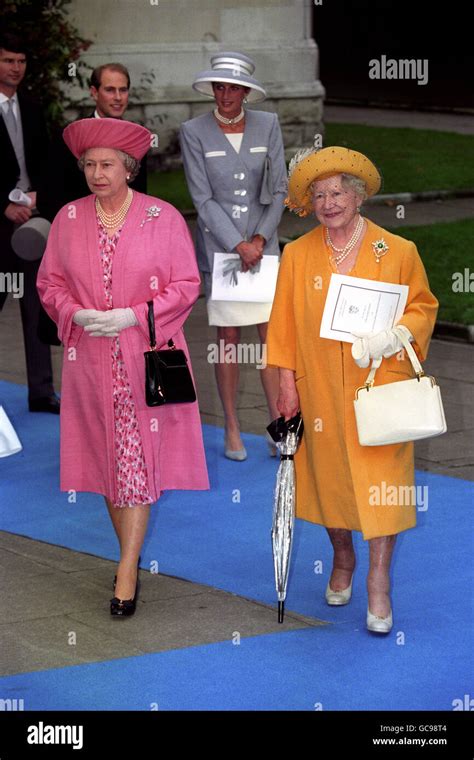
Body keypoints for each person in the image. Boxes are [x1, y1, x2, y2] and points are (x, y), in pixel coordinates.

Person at [37, 118, 209, 617]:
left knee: (135, 462)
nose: (97, 173)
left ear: (129, 168)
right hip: (89, 361)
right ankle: (127, 559)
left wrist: (133, 315)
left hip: (146, 358)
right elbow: (49, 285)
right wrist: (76, 314)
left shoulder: (163, 216)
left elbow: (185, 284)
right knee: (109, 464)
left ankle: (127, 569)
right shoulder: (68, 218)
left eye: (107, 164)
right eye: (89, 165)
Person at [267, 145, 438, 634]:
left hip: (379, 388)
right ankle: (342, 557)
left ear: (358, 196)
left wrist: (398, 333)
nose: (329, 202)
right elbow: (282, 327)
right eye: (319, 194)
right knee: (329, 479)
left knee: (382, 481)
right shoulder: (297, 255)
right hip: (317, 389)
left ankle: (378, 580)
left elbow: (422, 307)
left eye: (338, 191)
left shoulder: (398, 250)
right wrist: (286, 385)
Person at [180, 52, 287, 461]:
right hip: (221, 252)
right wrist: (236, 243)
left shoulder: (269, 125)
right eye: (219, 87)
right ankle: (231, 424)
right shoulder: (193, 131)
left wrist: (259, 238)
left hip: (264, 249)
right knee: (228, 340)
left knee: (270, 341)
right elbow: (201, 197)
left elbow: (279, 189)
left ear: (246, 91)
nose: (225, 95)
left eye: (233, 88)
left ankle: (279, 424)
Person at [0, 31, 59, 413]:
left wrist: (40, 197)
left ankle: (41, 392)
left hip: (33, 225)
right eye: (8, 61)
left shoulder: (36, 107)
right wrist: (2, 206)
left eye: (21, 61)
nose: (16, 68)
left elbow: (51, 163)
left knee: (37, 306)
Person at [42, 63, 147, 220]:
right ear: (94, 92)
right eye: (110, 90)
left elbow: (140, 195)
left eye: (123, 90)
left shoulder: (135, 137)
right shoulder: (70, 137)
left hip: (127, 232)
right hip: (78, 230)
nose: (118, 97)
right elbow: (50, 198)